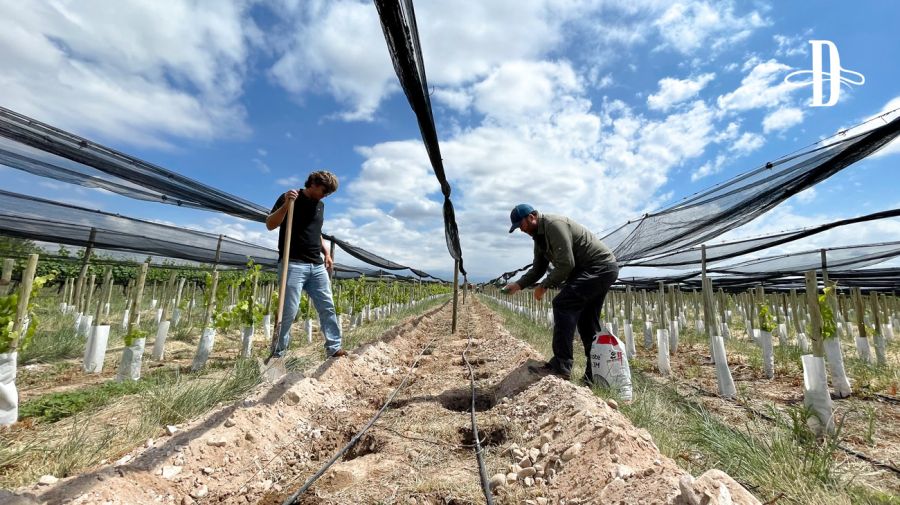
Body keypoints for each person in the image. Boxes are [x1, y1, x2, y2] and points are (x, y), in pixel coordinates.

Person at [503, 204, 618, 384]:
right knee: (587, 321)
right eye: (518, 228)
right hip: (593, 270)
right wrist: (518, 284)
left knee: (563, 304)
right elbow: (538, 268)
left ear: (532, 216)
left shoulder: (553, 225)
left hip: (599, 267)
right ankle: (594, 374)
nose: (522, 230)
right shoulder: (538, 238)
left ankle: (561, 365)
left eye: (521, 225)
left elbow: (566, 263)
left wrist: (545, 285)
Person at [266, 171, 346, 360]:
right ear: (313, 184)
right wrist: (286, 204)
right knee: (288, 313)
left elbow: (316, 231)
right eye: (324, 190)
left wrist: (326, 253)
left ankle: (334, 348)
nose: (325, 195)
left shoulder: (320, 205)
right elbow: (270, 224)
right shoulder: (291, 197)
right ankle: (278, 354)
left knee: (327, 307)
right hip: (293, 264)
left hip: (316, 266)